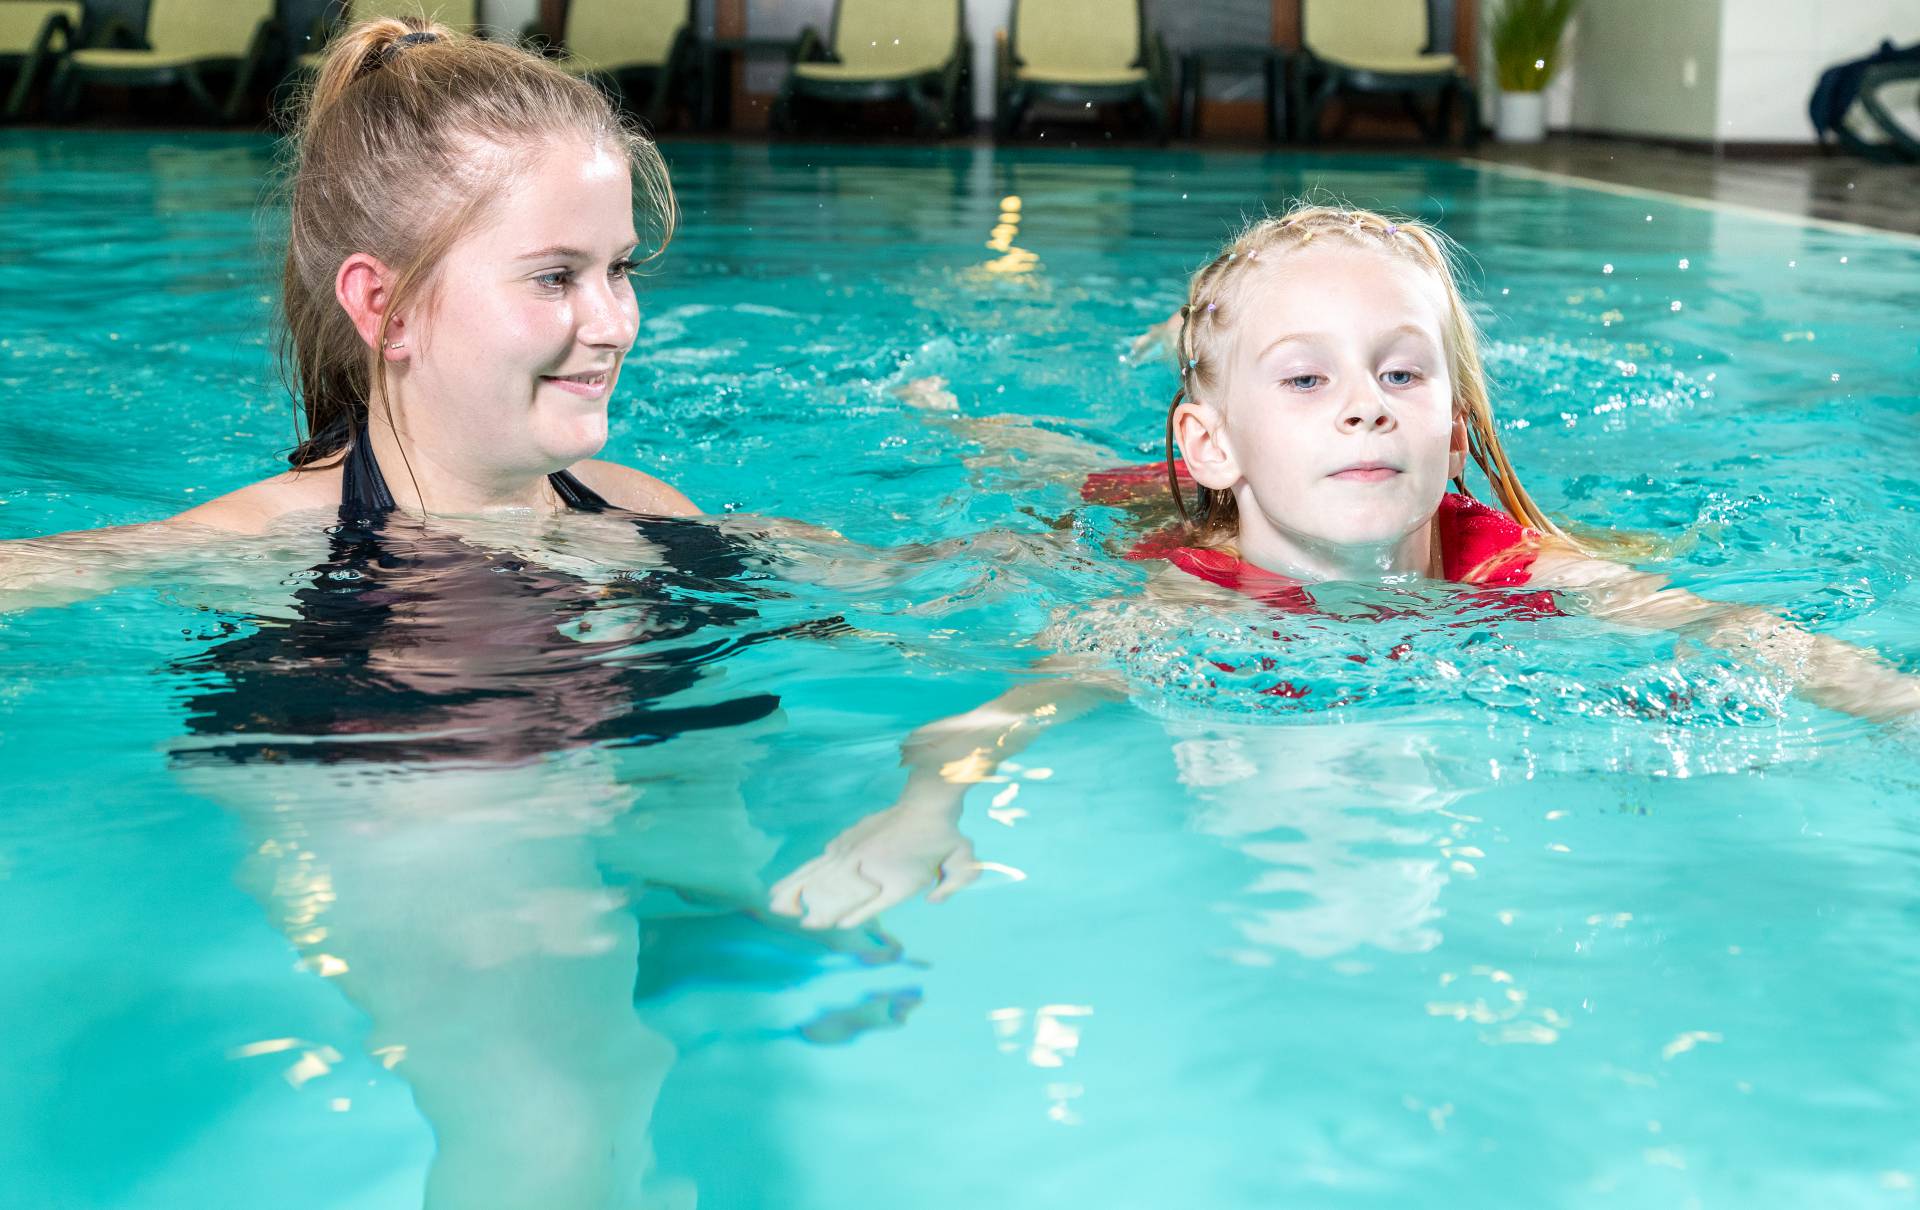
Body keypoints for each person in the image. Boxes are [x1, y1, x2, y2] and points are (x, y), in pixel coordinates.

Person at [3, 17, 848, 1207]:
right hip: (404, 809)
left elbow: (900, 592)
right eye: (557, 276)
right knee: (553, 1128)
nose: (613, 322)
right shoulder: (279, 543)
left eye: (620, 271)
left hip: (649, 862)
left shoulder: (639, 513)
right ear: (385, 306)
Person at [769, 203, 1920, 933]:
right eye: (1307, 380)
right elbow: (991, 719)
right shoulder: (1179, 597)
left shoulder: (1513, 564)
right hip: (1150, 515)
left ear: (1454, 431)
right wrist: (924, 811)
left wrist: (1896, 700)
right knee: (1011, 508)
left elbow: (1736, 630)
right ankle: (959, 416)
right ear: (1215, 442)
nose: (1366, 407)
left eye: (1402, 377)